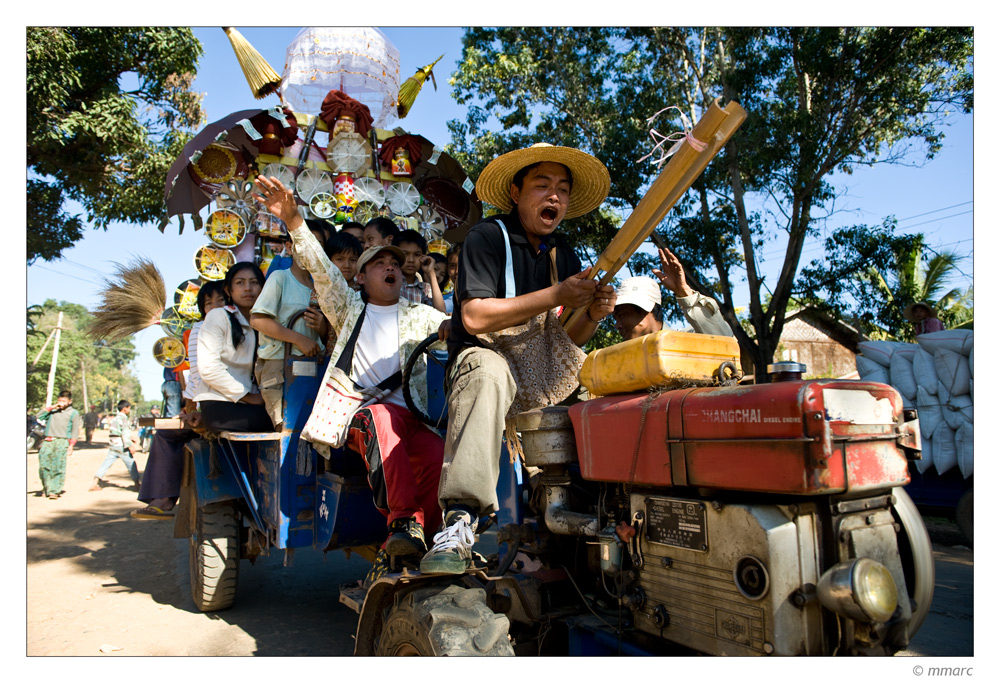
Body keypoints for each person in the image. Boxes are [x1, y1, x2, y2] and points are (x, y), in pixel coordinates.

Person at [417, 143, 617, 575]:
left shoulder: (564, 253)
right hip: (485, 361)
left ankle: (591, 513)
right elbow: (472, 316)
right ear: (514, 191)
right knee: (488, 372)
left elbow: (566, 340)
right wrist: (558, 294)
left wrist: (594, 316)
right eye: (542, 185)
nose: (555, 197)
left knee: (600, 387)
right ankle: (460, 520)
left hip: (541, 372)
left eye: (563, 189)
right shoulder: (487, 237)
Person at [254, 174, 451, 588]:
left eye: (395, 264)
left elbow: (460, 325)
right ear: (360, 278)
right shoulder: (348, 308)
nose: (391, 268)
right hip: (361, 415)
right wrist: (293, 221)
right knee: (380, 418)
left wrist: (459, 330)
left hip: (413, 418)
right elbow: (324, 271)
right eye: (379, 263)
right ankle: (402, 526)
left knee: (436, 454)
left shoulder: (422, 317)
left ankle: (421, 547)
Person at [249, 222, 329, 430]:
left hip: (309, 366)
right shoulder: (280, 278)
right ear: (290, 247)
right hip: (278, 364)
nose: (310, 250)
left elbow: (324, 334)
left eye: (317, 245)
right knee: (285, 426)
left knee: (307, 426)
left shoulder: (320, 288)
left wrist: (321, 327)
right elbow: (258, 320)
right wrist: (298, 339)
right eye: (303, 244)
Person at [613, 245, 733, 341]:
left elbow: (723, 341)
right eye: (616, 319)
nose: (617, 326)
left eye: (622, 316)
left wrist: (685, 293)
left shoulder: (687, 341)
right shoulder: (620, 360)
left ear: (646, 309)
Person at [36, 390, 81, 499]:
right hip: (48, 440)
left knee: (58, 466)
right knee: (43, 465)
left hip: (62, 441)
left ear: (70, 401)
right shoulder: (53, 411)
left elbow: (75, 430)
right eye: (59, 400)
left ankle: (54, 490)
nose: (61, 403)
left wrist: (71, 445)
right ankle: (46, 487)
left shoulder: (73, 413)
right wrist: (53, 407)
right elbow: (38, 416)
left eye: (64, 401)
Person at [90, 400, 140, 490]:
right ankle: (137, 483)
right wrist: (129, 445)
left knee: (106, 464)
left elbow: (116, 431)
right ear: (125, 409)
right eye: (129, 408)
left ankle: (95, 481)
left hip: (113, 445)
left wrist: (130, 438)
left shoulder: (115, 418)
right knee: (131, 464)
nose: (129, 410)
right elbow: (124, 433)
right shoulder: (124, 418)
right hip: (122, 446)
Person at [395, 229, 446, 312]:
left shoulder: (425, 289)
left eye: (417, 255)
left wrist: (431, 273)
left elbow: (441, 312)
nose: (411, 260)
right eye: (405, 254)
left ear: (423, 257)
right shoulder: (391, 282)